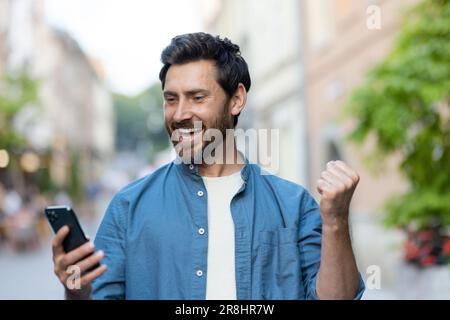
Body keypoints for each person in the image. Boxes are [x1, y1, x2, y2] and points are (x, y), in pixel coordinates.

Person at [52, 32, 365, 300]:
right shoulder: (128, 207)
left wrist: (335, 221)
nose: (179, 114)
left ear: (236, 99)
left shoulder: (293, 206)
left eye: (197, 97)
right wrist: (76, 288)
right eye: (171, 99)